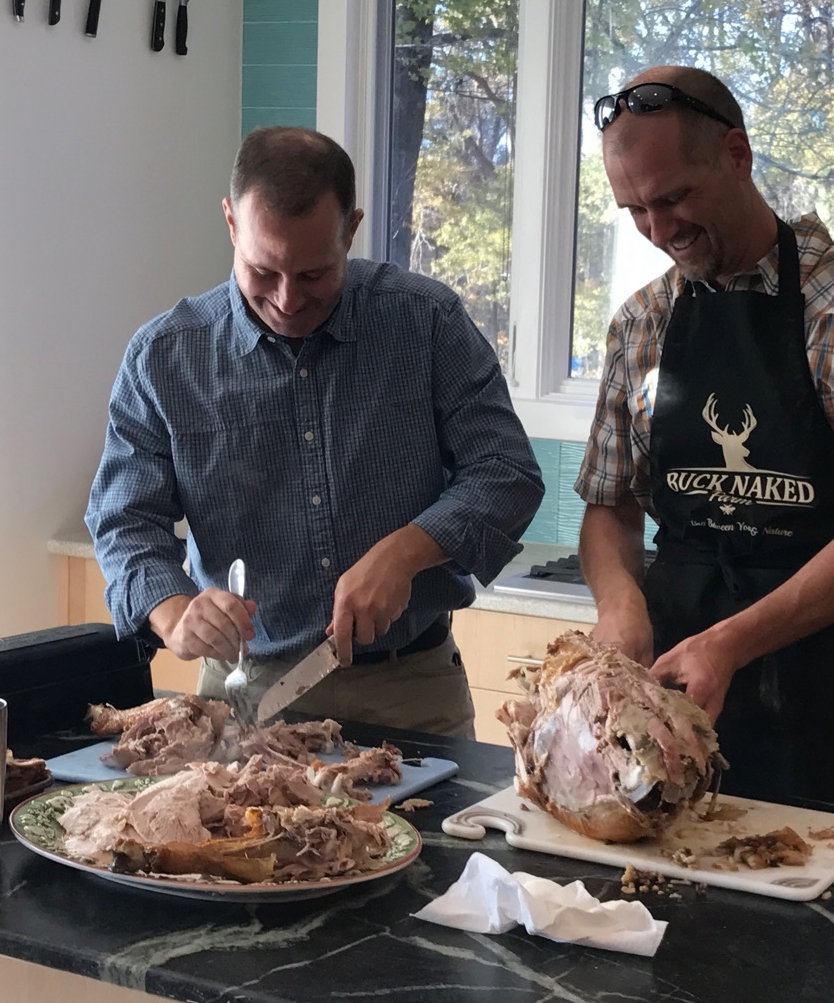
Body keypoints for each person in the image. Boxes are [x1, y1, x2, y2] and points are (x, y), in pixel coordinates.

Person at [576, 67, 834, 814]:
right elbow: (610, 505)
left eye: (675, 197)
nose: (658, 231)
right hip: (675, 687)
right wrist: (620, 606)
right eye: (635, 211)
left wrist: (732, 641)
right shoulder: (641, 324)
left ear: (737, 153)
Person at [86, 126, 544, 738]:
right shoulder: (165, 358)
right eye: (262, 270)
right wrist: (172, 612)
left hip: (410, 692)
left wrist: (407, 552)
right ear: (230, 222)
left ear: (350, 231)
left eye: (313, 274)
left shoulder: (425, 323)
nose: (286, 299)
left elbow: (507, 472)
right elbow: (124, 519)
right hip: (242, 695)